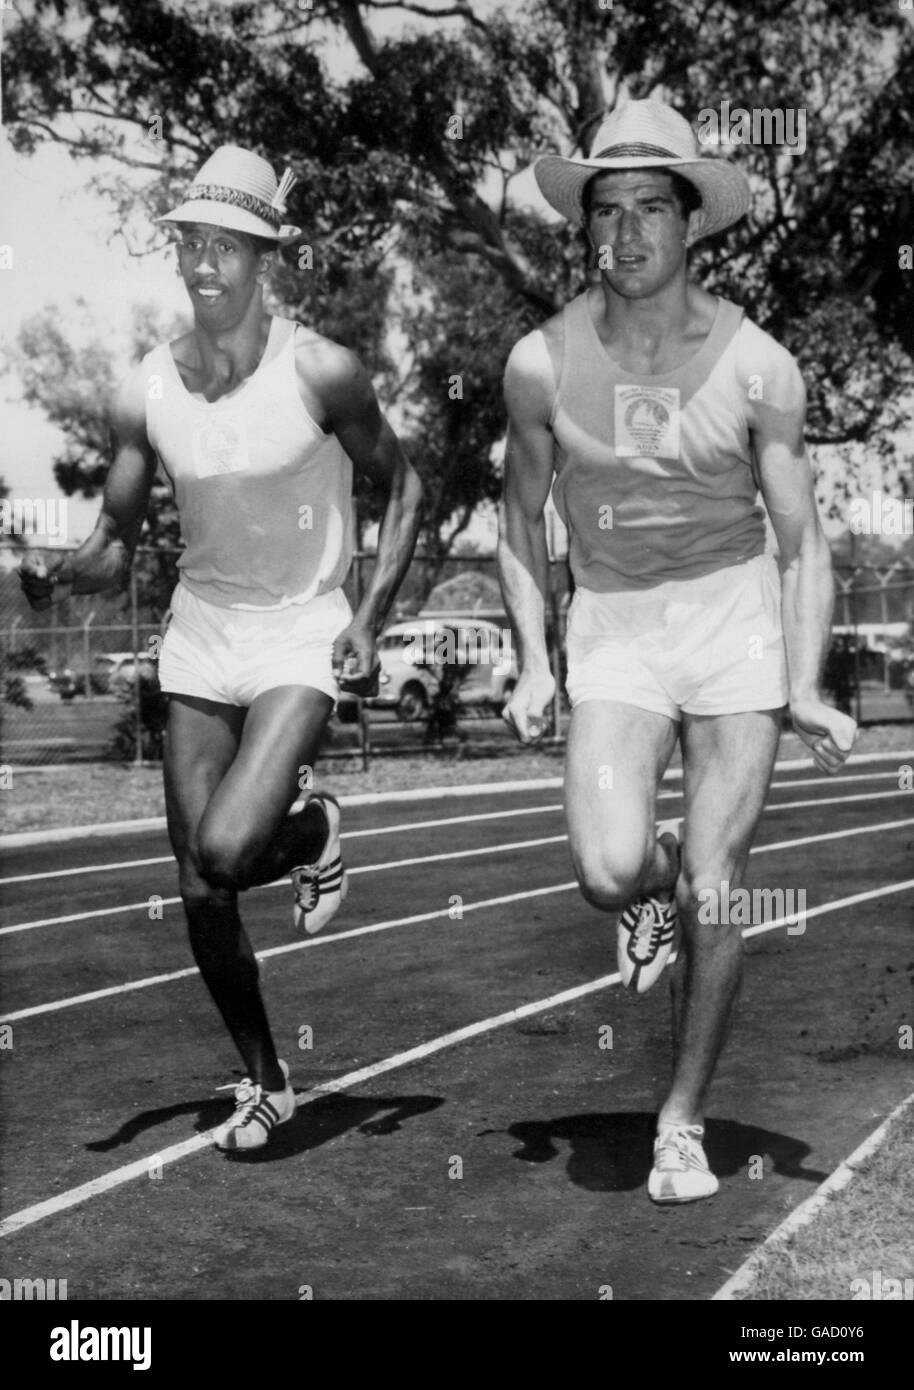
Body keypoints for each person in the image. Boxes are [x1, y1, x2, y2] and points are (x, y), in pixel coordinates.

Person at [20, 145, 423, 1152]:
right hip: (201, 629)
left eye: (225, 245)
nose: (203, 261)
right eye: (189, 242)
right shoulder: (145, 389)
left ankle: (306, 829)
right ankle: (267, 1078)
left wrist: (368, 615)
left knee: (231, 847)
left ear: (261, 256)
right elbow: (116, 542)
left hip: (301, 627)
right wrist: (65, 569)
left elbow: (406, 486)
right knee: (198, 883)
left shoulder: (319, 369)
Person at [497, 101, 857, 1203]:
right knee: (611, 870)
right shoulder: (538, 364)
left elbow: (800, 545)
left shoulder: (758, 367)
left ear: (690, 221)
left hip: (730, 619)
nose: (626, 231)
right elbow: (517, 526)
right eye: (606, 210)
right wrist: (534, 662)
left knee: (715, 883)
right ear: (585, 226)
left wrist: (799, 682)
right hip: (611, 621)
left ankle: (680, 1120)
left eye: (651, 206)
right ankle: (643, 893)